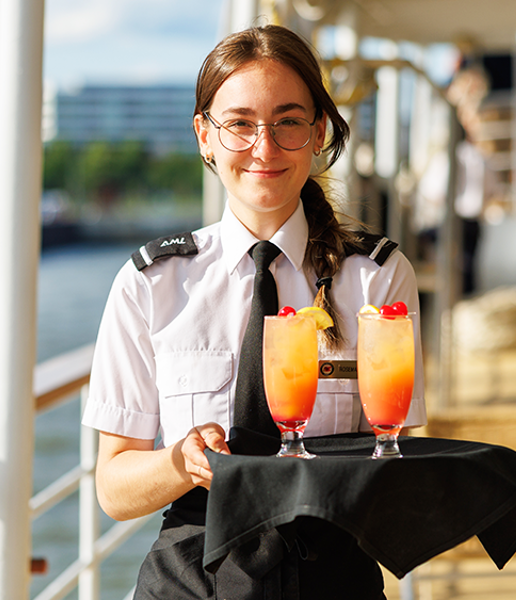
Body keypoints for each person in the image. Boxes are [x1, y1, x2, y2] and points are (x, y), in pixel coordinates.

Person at [82, 24, 426, 599]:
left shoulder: (378, 278)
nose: (263, 148)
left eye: (288, 122)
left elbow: (396, 457)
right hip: (191, 580)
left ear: (318, 132)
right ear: (204, 136)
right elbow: (114, 489)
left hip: (332, 579)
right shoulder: (151, 283)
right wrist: (179, 462)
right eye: (239, 124)